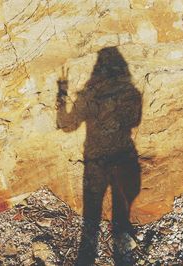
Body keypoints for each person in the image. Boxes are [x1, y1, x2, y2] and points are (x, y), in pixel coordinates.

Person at [56, 47, 142, 265]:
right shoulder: (131, 93)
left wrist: (62, 95)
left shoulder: (88, 96)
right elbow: (135, 121)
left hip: (96, 163)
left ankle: (87, 258)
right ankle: (122, 257)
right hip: (123, 157)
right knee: (121, 216)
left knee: (92, 218)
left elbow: (66, 126)